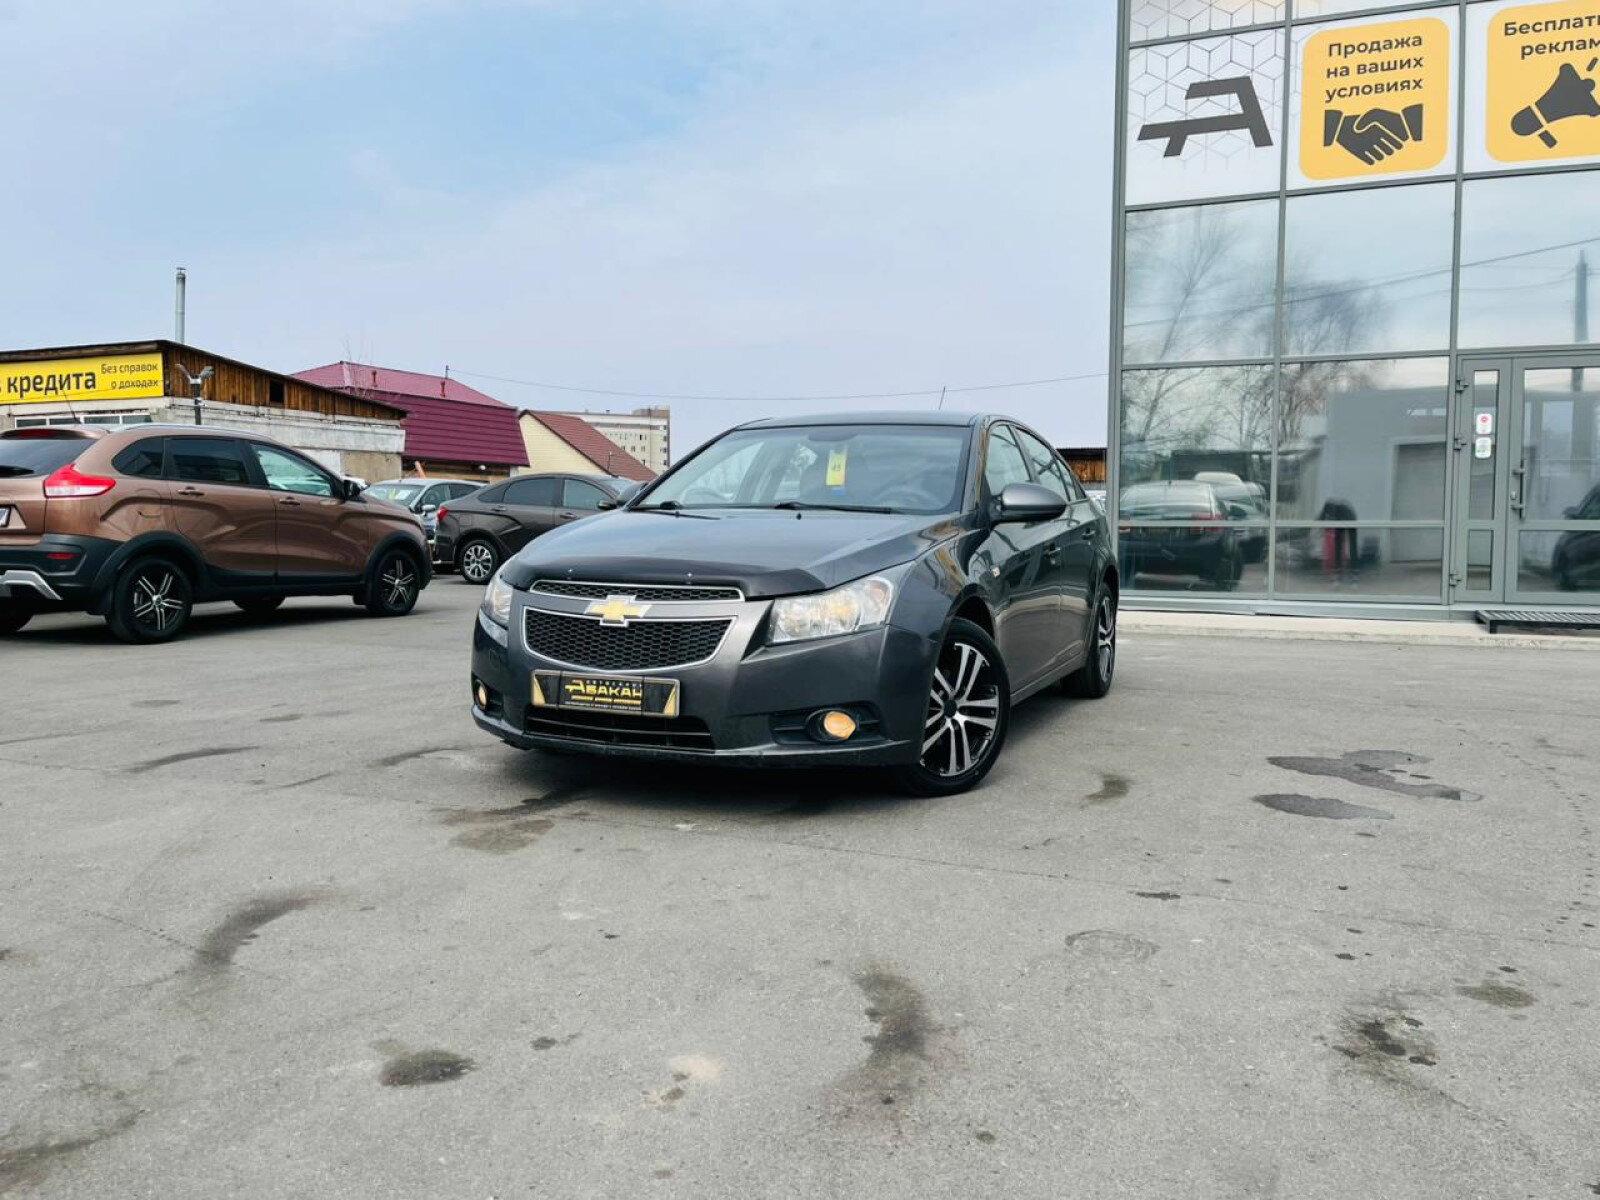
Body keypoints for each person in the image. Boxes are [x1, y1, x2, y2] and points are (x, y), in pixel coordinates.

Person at [1317, 498, 1358, 581]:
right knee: (1338, 545)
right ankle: (1338, 570)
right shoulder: (1329, 509)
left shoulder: (1339, 510)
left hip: (1350, 520)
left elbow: (1329, 519)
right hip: (1341, 521)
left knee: (1352, 546)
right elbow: (1321, 518)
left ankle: (1353, 571)